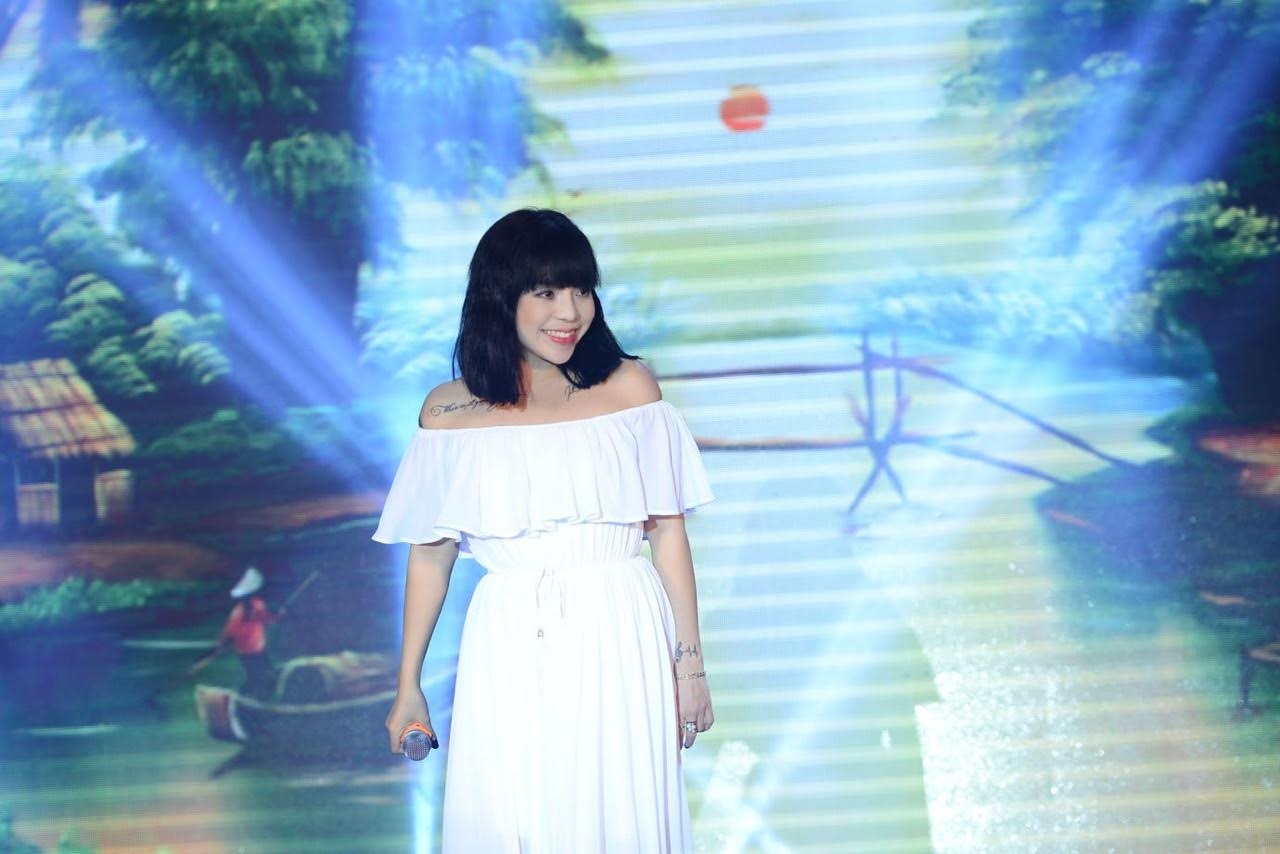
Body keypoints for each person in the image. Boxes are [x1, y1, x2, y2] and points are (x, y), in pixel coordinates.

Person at [374, 208, 715, 852]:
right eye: (547, 292)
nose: (570, 312)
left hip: (620, 623)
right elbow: (430, 555)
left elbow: (667, 533)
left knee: (619, 812)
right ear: (500, 298)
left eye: (581, 290)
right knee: (516, 810)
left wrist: (689, 668)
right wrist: (408, 684)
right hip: (507, 631)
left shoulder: (630, 390)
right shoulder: (448, 411)